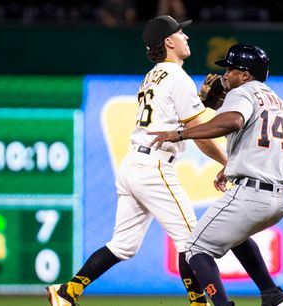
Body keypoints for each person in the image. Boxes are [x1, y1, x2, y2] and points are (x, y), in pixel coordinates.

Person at [46, 15, 227, 306]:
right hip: (154, 166)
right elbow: (200, 136)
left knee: (123, 245)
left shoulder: (154, 75)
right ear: (169, 41)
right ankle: (199, 302)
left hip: (132, 166)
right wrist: (226, 163)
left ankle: (68, 291)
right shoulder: (178, 77)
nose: (187, 37)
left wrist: (201, 105)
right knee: (193, 242)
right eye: (181, 33)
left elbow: (171, 115)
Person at [149, 44, 283, 306]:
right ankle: (274, 297)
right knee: (233, 235)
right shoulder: (276, 100)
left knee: (196, 250)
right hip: (281, 200)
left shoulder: (243, 92)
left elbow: (234, 121)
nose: (225, 75)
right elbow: (273, 146)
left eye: (231, 69)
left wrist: (180, 134)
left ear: (246, 75)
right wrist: (230, 168)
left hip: (252, 194)